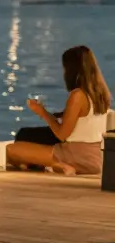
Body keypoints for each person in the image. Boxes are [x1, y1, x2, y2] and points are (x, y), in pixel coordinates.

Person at [7, 45, 110, 176]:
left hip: (74, 155)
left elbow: (62, 135)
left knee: (10, 150)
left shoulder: (78, 95)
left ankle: (58, 166)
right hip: (95, 157)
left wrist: (42, 112)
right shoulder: (101, 94)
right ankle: (47, 165)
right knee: (26, 140)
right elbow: (84, 121)